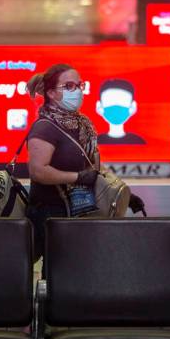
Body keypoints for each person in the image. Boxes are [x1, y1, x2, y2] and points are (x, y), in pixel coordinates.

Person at [26, 63, 100, 261]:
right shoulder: (45, 128)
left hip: (79, 210)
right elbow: (37, 171)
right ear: (51, 93)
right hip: (51, 213)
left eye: (79, 85)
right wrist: (78, 177)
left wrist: (121, 191)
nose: (76, 91)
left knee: (78, 269)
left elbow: (93, 167)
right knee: (57, 272)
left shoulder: (83, 125)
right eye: (68, 86)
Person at [95, 79, 146, 145]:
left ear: (133, 107)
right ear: (99, 107)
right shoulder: (94, 143)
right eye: (110, 101)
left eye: (122, 101)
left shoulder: (138, 142)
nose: (116, 107)